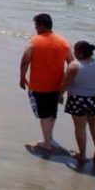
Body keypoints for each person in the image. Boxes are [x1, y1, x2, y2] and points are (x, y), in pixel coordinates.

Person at [19, 13, 73, 153]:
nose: (35, 28)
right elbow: (72, 64)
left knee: (43, 114)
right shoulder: (64, 42)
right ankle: (49, 136)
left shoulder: (35, 41)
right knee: (51, 112)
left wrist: (22, 77)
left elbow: (25, 60)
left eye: (36, 25)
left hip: (39, 85)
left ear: (42, 25)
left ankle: (47, 142)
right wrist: (67, 83)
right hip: (57, 86)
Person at [61, 41, 95, 162]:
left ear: (81, 53)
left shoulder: (74, 65)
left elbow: (66, 84)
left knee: (80, 127)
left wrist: (59, 94)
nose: (73, 53)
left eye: (75, 51)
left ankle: (82, 155)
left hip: (78, 98)